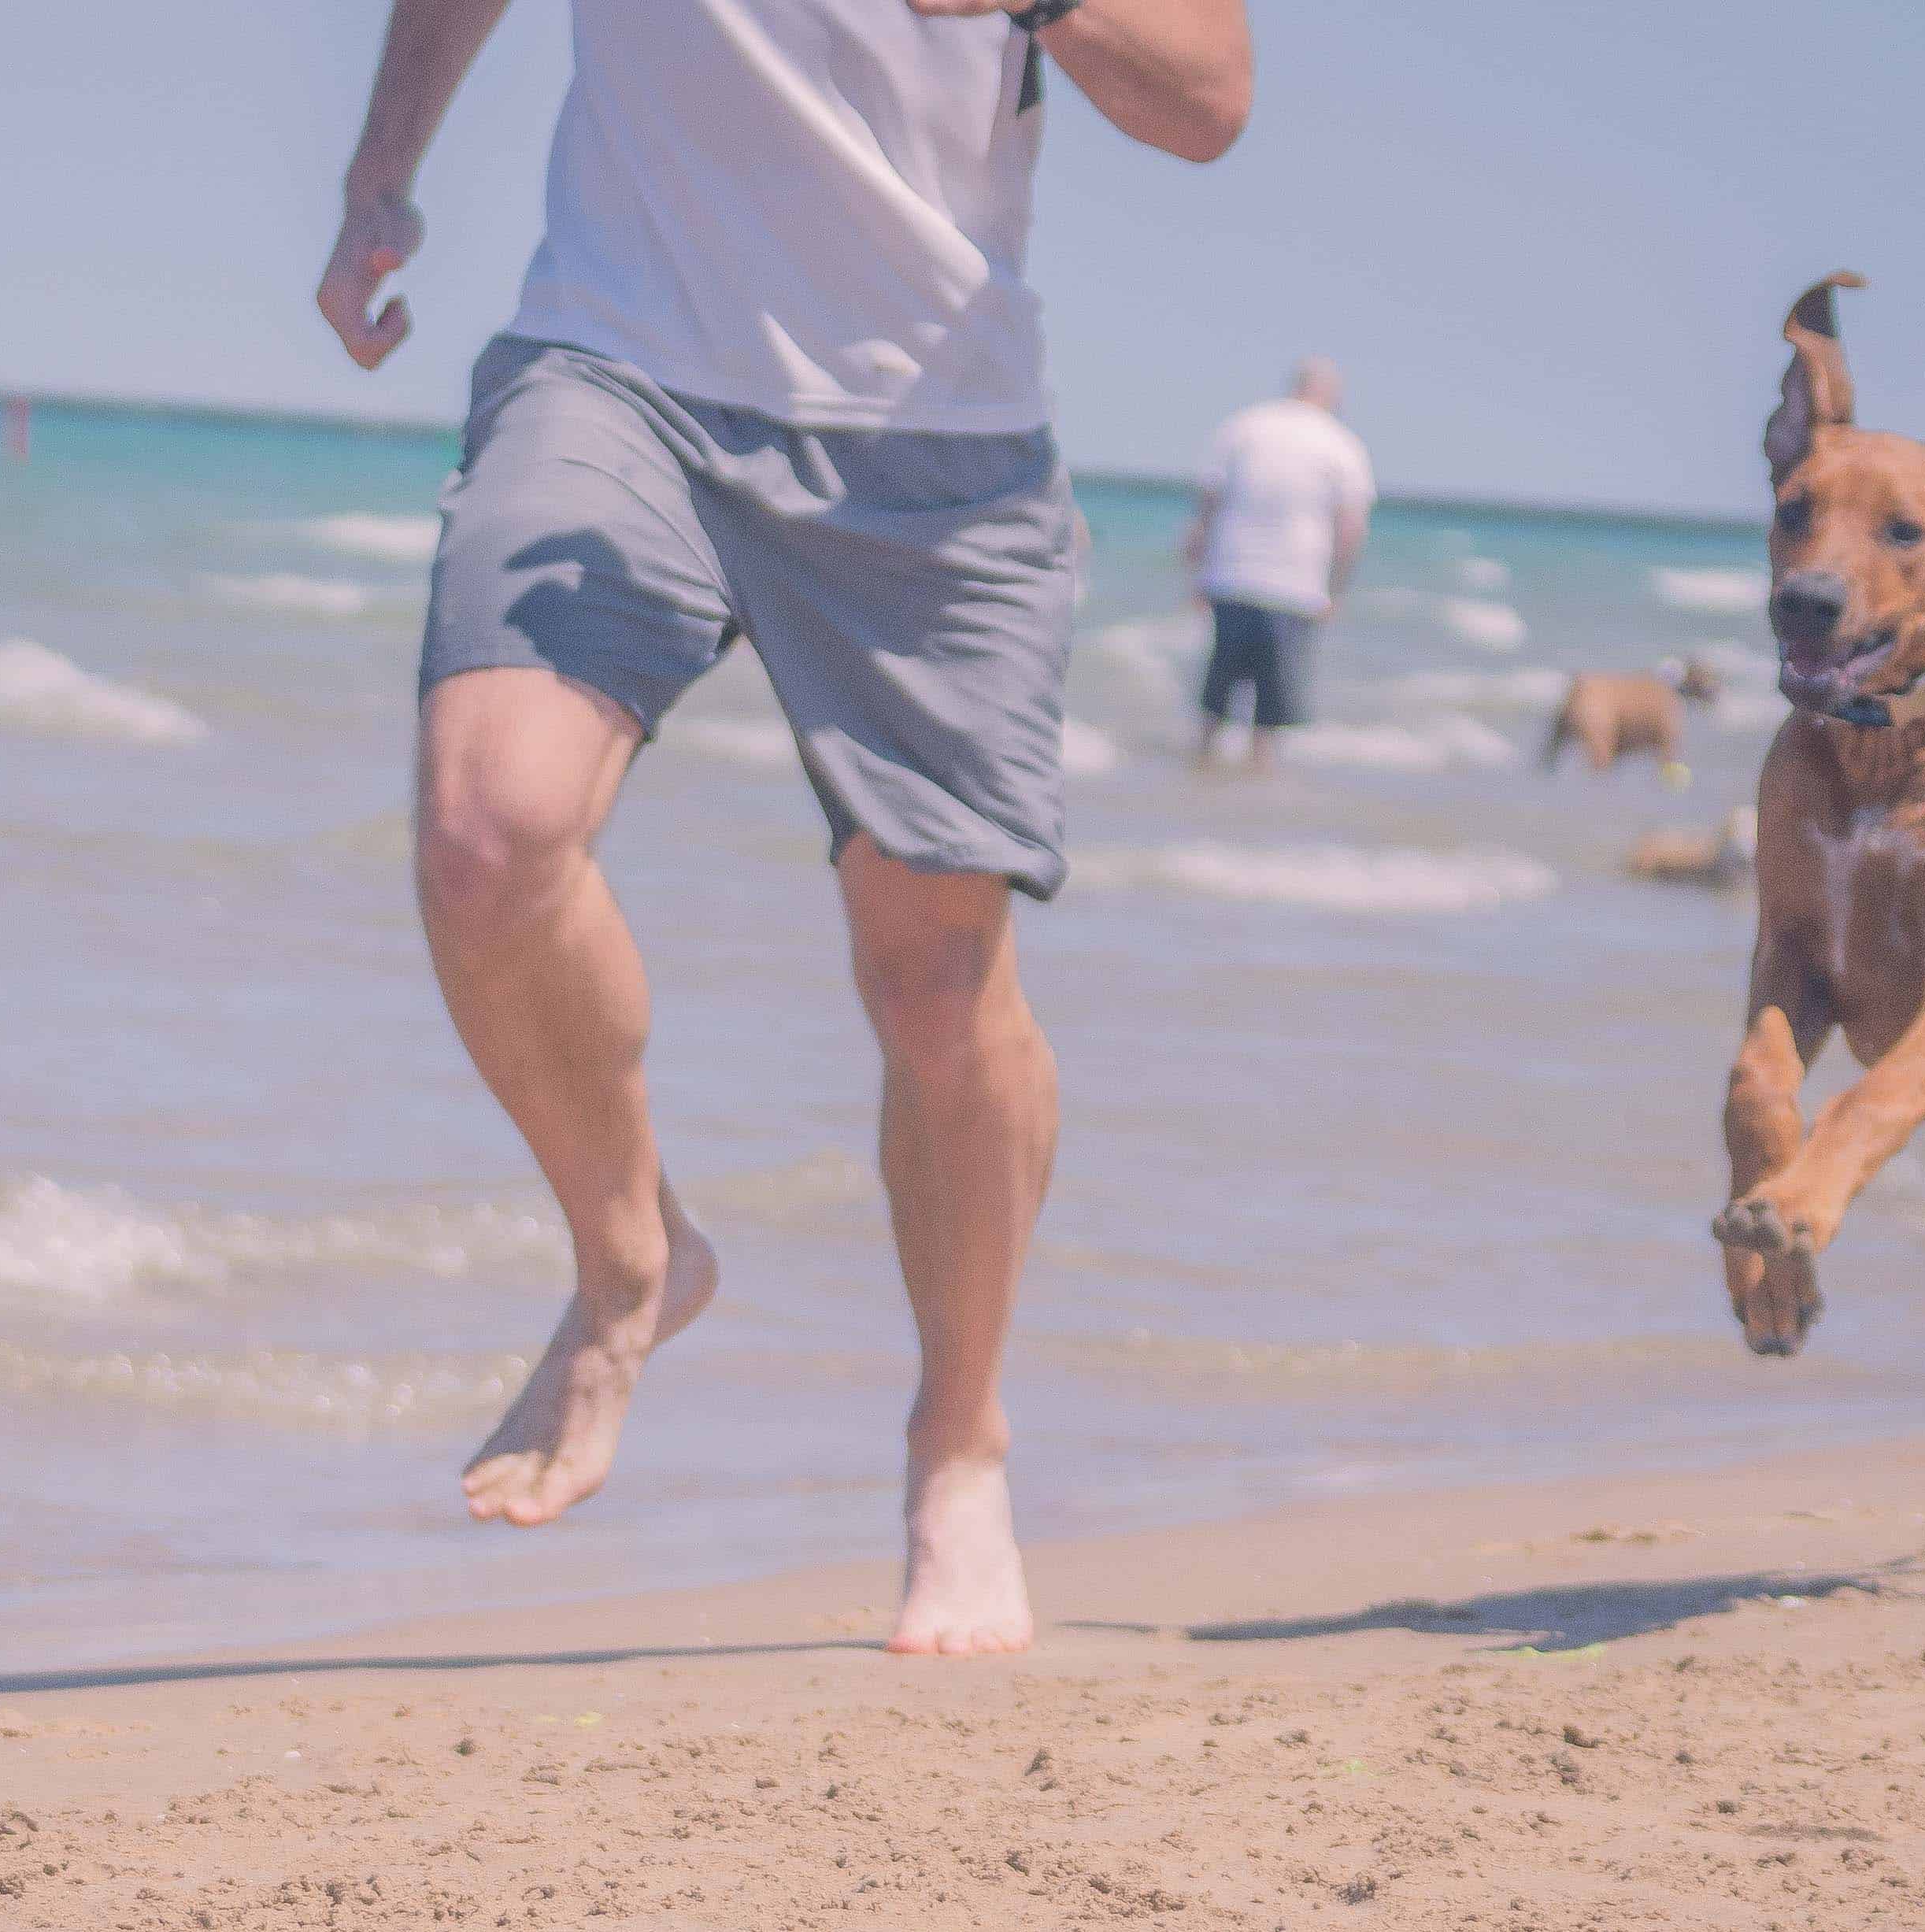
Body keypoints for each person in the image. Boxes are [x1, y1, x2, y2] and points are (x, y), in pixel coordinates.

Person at [316, 0, 1253, 1655]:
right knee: (489, 827)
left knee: (936, 981)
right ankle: (629, 1257)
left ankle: (958, 1443)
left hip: (932, 440)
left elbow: (1206, 97)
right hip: (617, 365)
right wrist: (381, 169)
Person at [1183, 358, 1371, 772]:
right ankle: (1258, 784)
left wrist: (1197, 571)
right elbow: (1351, 527)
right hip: (1296, 586)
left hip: (1232, 574)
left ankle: (1200, 773)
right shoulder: (1341, 443)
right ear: (1331, 396)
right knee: (1273, 708)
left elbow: (1208, 504)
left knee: (1217, 695)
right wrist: (1336, 589)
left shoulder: (1244, 426)